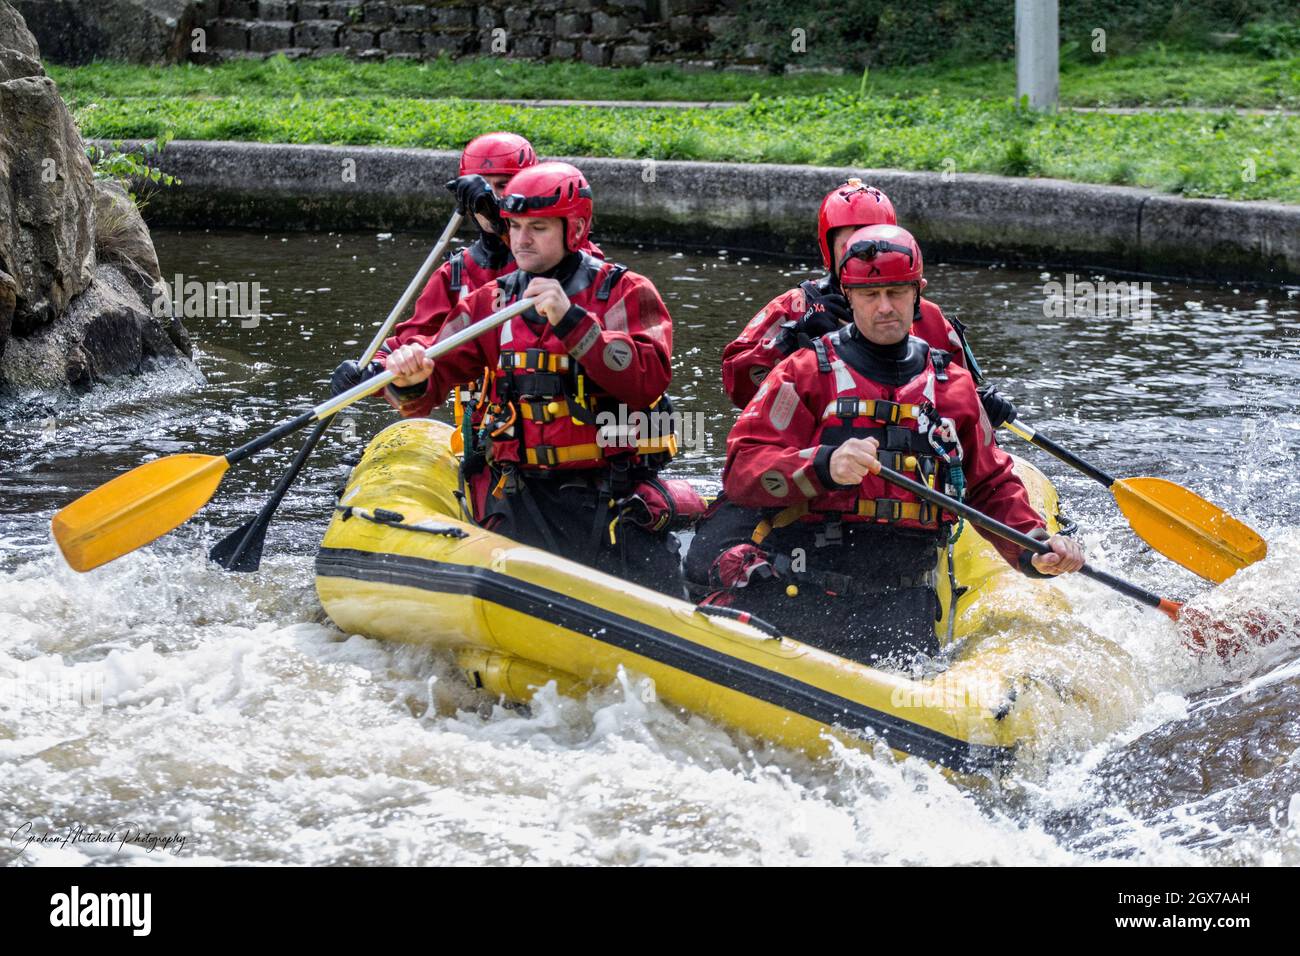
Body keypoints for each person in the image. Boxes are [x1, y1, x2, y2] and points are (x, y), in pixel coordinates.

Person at [687, 224, 1083, 666]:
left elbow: (990, 484)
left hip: (901, 609)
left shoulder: (951, 386)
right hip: (801, 593)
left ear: (918, 292)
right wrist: (823, 464)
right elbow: (743, 471)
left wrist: (1034, 546)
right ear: (848, 295)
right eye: (870, 294)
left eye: (896, 292)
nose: (884, 308)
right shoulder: (803, 373)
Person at [378, 161, 693, 592]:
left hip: (613, 493)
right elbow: (431, 380)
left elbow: (647, 379)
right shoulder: (492, 301)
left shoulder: (624, 291)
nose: (521, 240)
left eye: (538, 228)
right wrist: (409, 373)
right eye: (515, 225)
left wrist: (572, 322)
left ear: (576, 228)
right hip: (522, 496)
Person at [720, 178, 1018, 427]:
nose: (866, 259)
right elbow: (739, 389)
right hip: (824, 450)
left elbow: (959, 400)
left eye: (874, 245)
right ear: (829, 249)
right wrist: (789, 340)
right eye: (851, 248)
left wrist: (982, 407)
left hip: (915, 454)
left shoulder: (927, 317)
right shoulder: (794, 308)